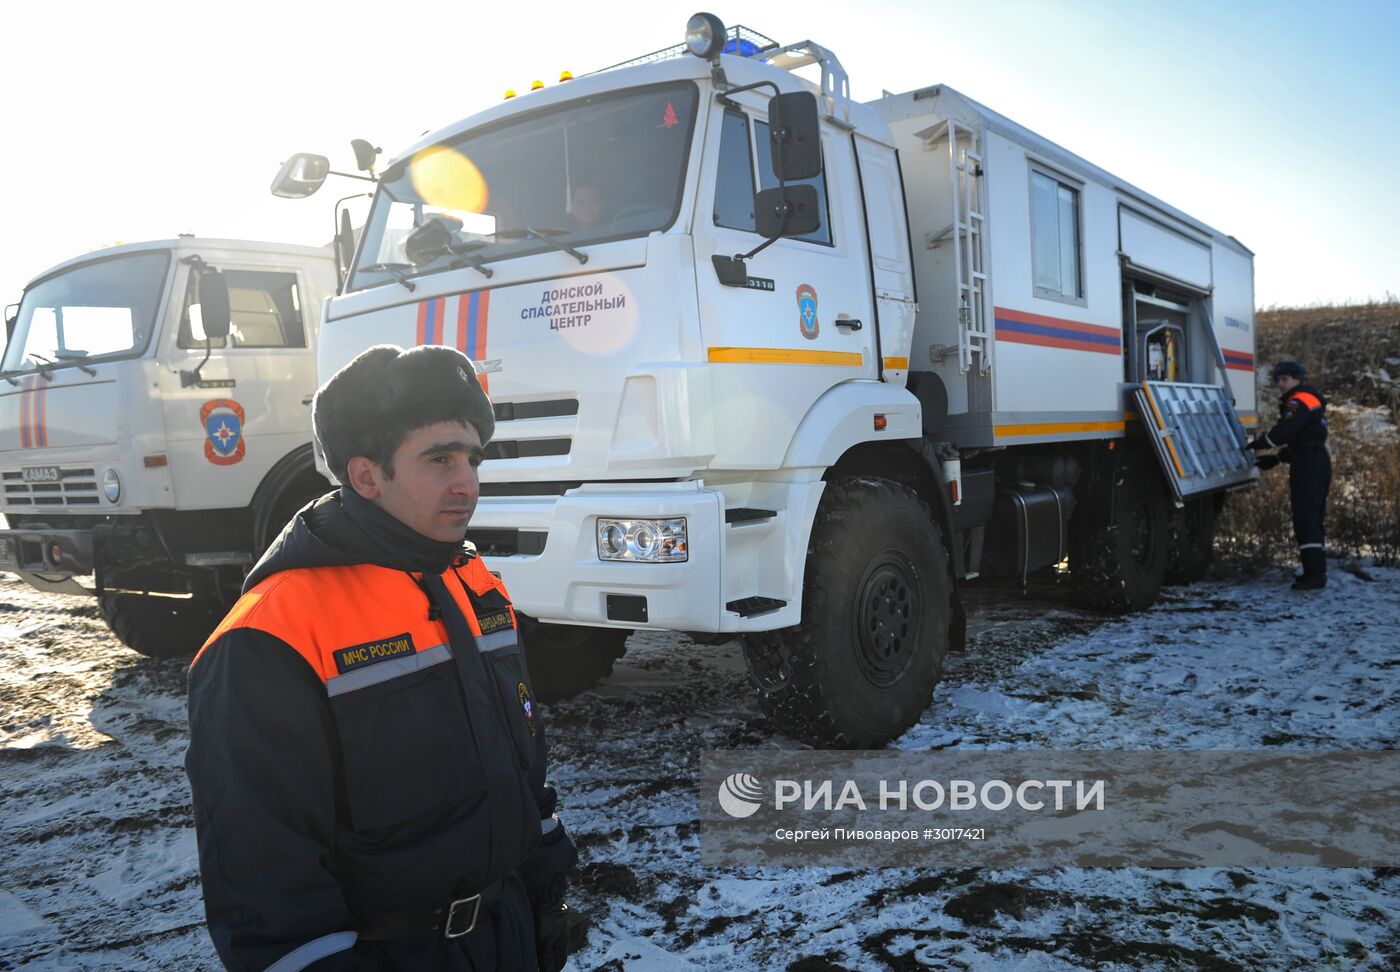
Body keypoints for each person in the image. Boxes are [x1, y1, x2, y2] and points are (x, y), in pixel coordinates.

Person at [186, 344, 577, 971]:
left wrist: (543, 892)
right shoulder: (269, 636)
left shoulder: (474, 584)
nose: (467, 481)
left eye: (473, 458)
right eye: (439, 459)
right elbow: (266, 878)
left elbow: (522, 766)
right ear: (366, 476)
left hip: (506, 936)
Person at [1247, 360, 1331, 589]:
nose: (1281, 384)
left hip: (1310, 464)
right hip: (1313, 460)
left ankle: (1314, 576)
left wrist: (1264, 442)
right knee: (1311, 517)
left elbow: (1288, 430)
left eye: (1285, 379)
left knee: (1306, 518)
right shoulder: (1308, 399)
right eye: (1278, 380)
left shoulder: (1299, 400)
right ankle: (1315, 572)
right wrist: (1277, 459)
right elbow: (1305, 440)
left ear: (1297, 379)